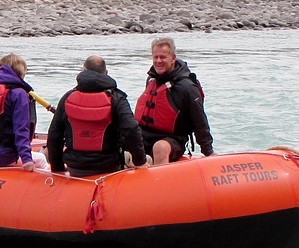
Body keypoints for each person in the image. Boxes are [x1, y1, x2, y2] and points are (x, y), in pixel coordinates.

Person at [46, 55, 147, 177]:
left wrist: (57, 169)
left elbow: (54, 134)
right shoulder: (116, 98)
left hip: (75, 167)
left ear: (83, 71)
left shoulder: (68, 97)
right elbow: (131, 129)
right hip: (108, 167)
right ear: (106, 73)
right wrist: (140, 161)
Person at [134, 37, 214, 165]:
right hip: (145, 135)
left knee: (160, 147)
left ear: (173, 58)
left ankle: (160, 183)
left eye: (163, 57)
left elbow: (199, 121)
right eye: (155, 57)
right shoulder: (151, 80)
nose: (158, 61)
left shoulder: (186, 87)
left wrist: (208, 151)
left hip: (172, 140)